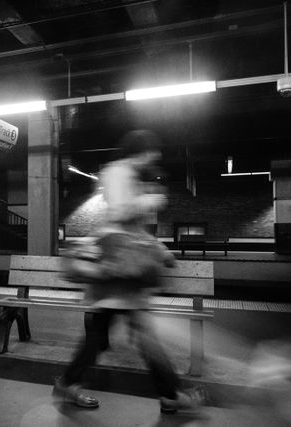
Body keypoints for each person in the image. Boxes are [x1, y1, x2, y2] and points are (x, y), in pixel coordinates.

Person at [52, 130, 207, 414]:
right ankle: (171, 395)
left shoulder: (128, 175)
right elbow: (123, 214)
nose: (153, 160)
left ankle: (68, 384)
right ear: (141, 151)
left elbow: (132, 228)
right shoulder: (118, 172)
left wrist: (159, 249)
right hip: (120, 270)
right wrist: (151, 201)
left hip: (121, 271)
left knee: (100, 338)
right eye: (151, 154)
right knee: (140, 337)